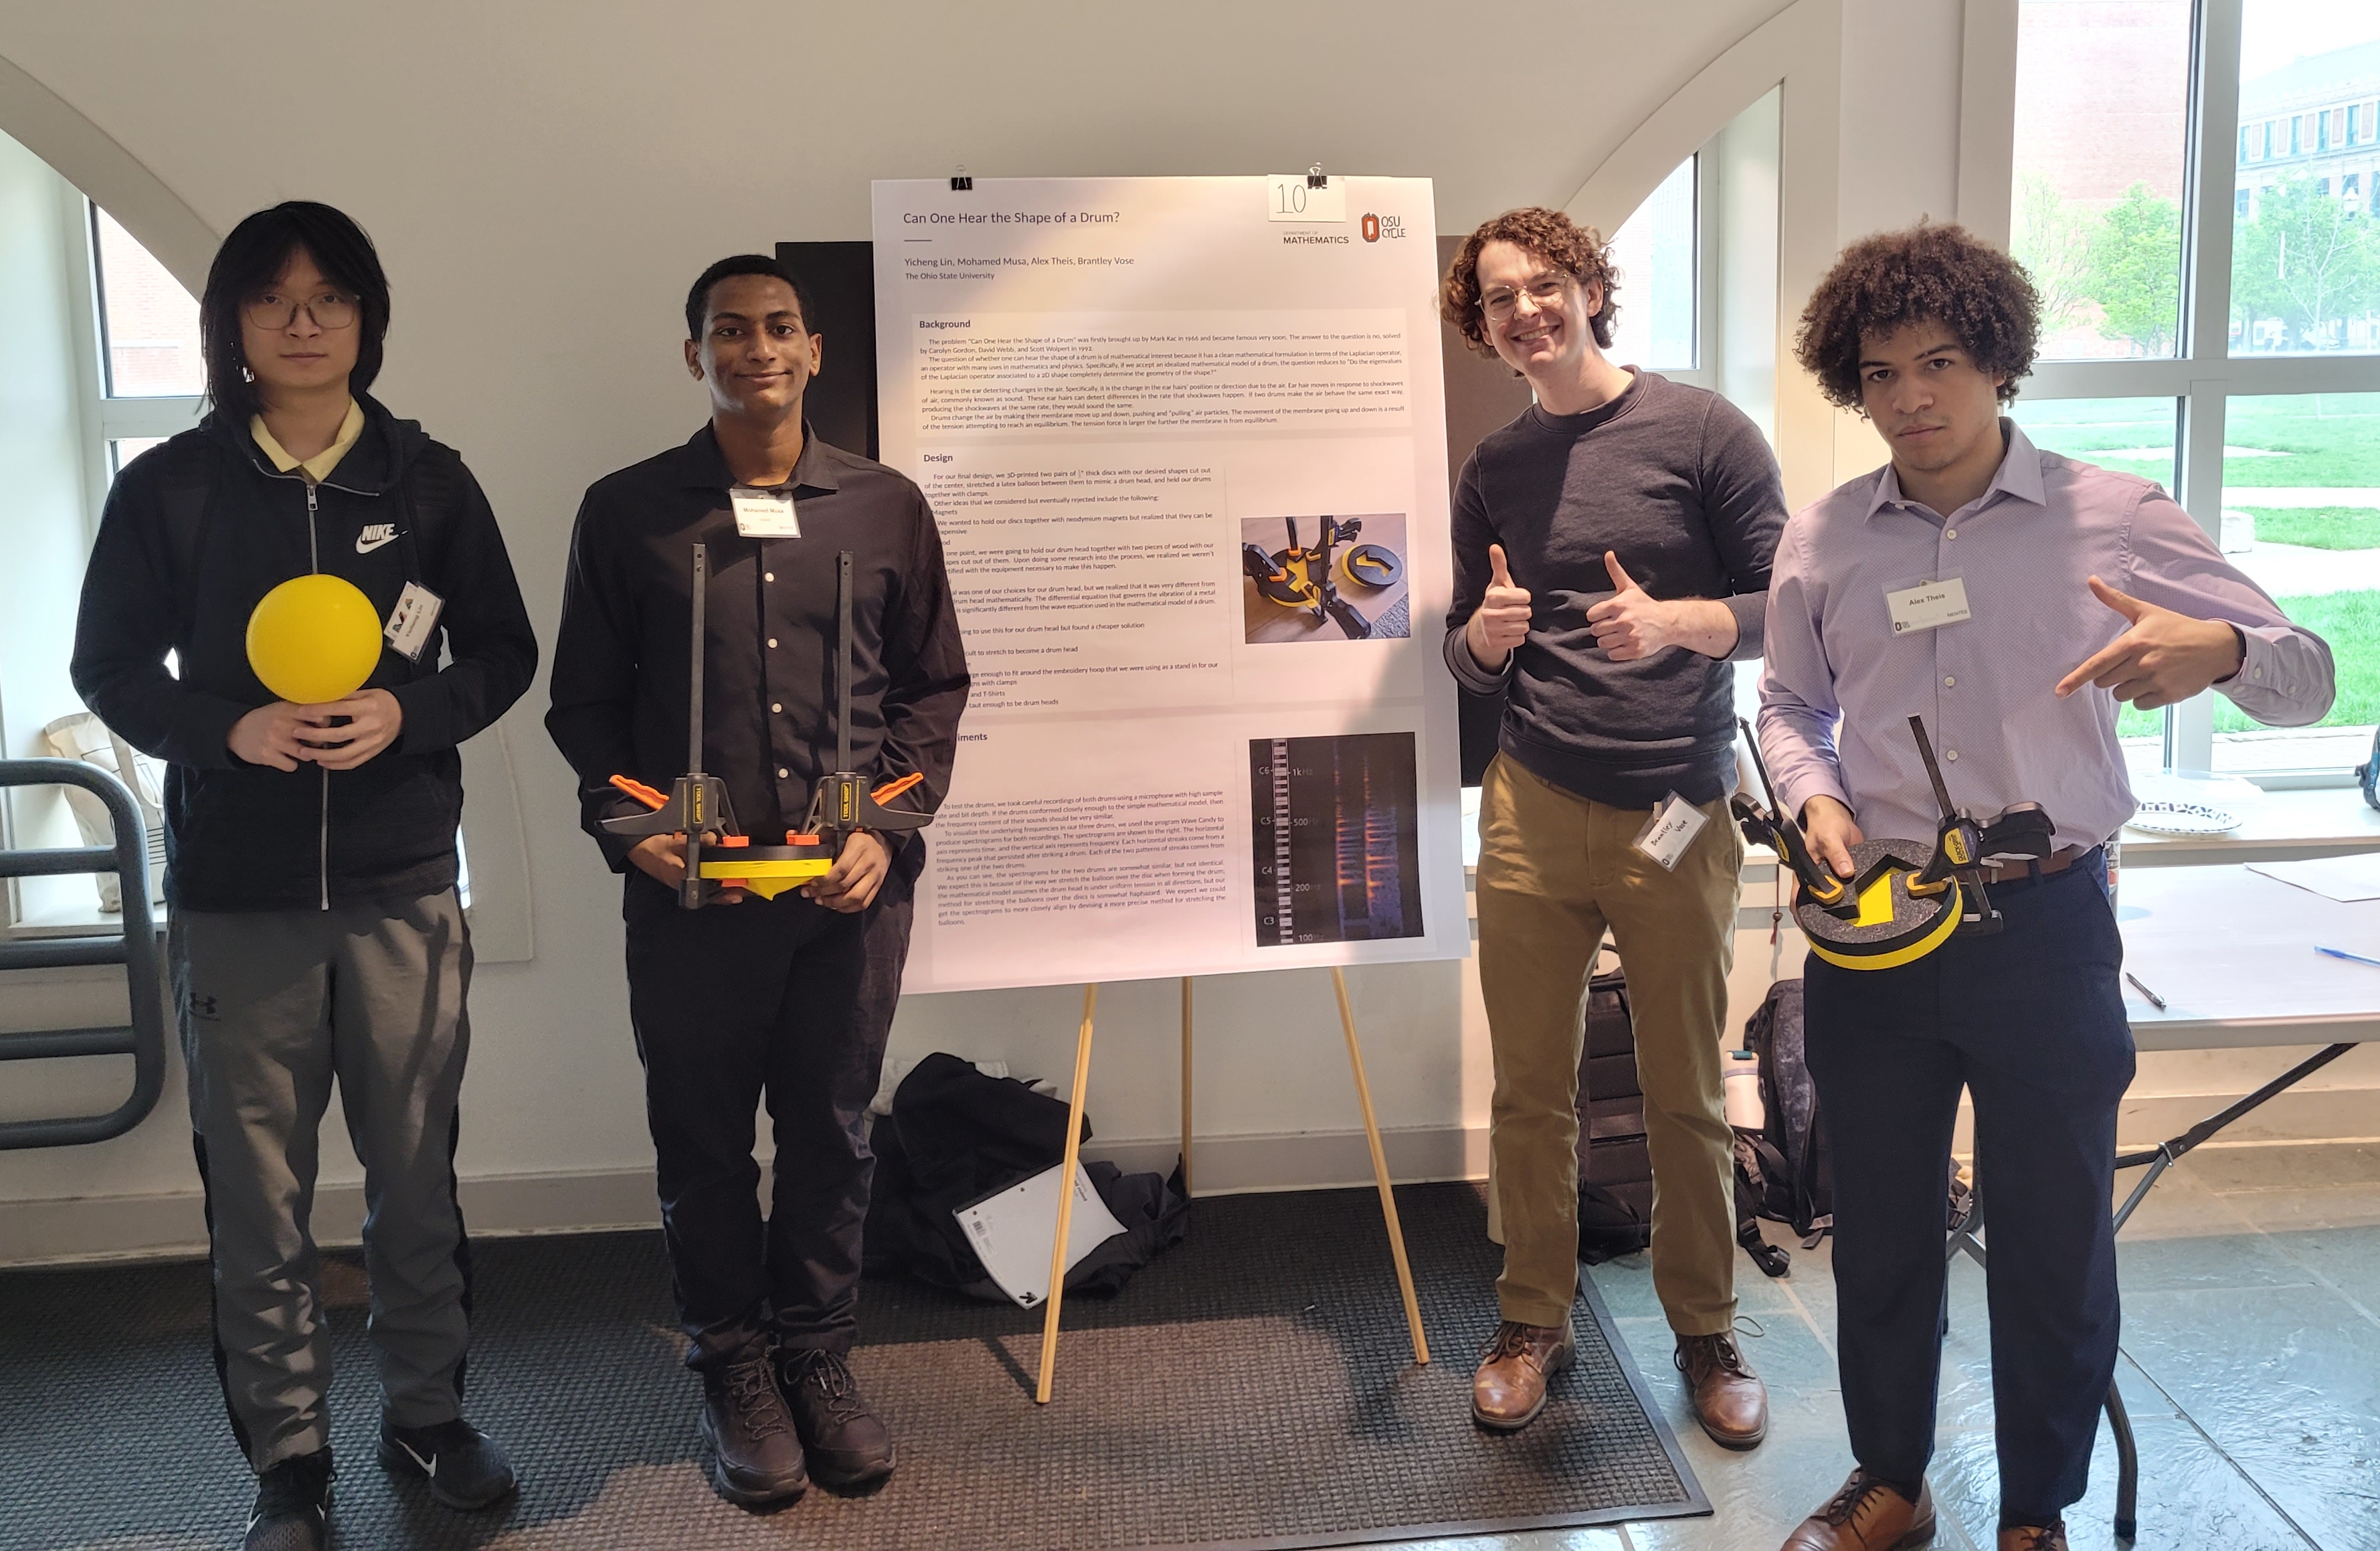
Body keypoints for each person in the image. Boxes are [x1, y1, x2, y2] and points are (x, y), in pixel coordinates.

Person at [1759, 223, 2334, 1551]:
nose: (1913, 395)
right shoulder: (1829, 534)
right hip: (1879, 935)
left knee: (2053, 1237)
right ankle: (1891, 1480)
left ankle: (2035, 1509)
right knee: (1885, 1225)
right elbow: (1790, 701)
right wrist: (1817, 793)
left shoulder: (2113, 513)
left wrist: (2225, 645)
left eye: (1942, 362)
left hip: (2050, 923)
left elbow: (2308, 674)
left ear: (1998, 364)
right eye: (1883, 371)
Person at [71, 201, 537, 1551]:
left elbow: (498, 656)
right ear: (231, 325)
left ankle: (427, 1416)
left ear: (365, 319)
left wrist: (412, 715)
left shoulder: (431, 483)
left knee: (415, 1176)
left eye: (331, 296)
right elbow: (107, 669)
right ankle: (289, 1461)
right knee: (259, 1199)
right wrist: (222, 729)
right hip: (237, 897)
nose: (302, 318)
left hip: (402, 889)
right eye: (272, 298)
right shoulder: (170, 488)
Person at [546, 254, 967, 1510]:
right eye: (729, 331)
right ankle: (732, 1362)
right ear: (696, 355)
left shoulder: (886, 506)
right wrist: (633, 828)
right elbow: (586, 707)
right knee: (703, 1142)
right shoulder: (625, 511)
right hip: (695, 901)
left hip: (847, 892)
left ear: (815, 349)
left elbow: (931, 688)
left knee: (834, 1132)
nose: (757, 349)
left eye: (779, 327)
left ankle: (818, 1359)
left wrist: (886, 827)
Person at [1440, 207, 1784, 1445]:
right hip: (1533, 799)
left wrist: (1681, 623)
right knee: (1529, 1090)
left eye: (1543, 284)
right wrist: (1477, 645)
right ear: (1478, 327)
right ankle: (1532, 1315)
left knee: (1686, 1088)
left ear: (1589, 286)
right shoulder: (1495, 466)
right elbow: (1465, 641)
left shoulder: (1705, 431)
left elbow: (1784, 609)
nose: (1525, 310)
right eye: (1497, 299)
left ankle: (1706, 1330)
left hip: (1680, 805)